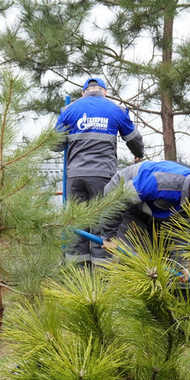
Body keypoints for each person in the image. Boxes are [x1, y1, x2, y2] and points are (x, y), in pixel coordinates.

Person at [54, 77, 145, 266]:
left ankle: (77, 277)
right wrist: (138, 154)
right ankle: (102, 278)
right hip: (103, 176)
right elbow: (134, 139)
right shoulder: (115, 109)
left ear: (83, 93)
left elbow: (55, 144)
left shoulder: (68, 110)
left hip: (75, 176)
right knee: (101, 226)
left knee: (76, 225)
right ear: (105, 92)